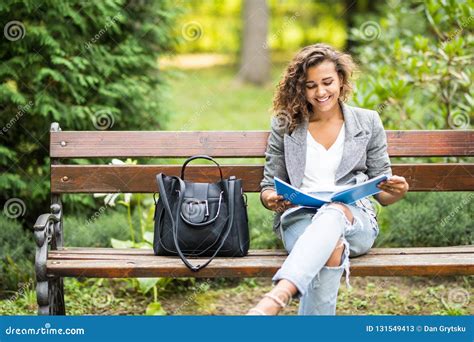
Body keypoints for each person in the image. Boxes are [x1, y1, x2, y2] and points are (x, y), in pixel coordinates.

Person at [247, 43, 409, 315]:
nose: (320, 92)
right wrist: (271, 199)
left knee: (333, 212)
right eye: (310, 85)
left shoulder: (367, 122)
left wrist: (398, 190)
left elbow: (384, 193)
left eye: (327, 82)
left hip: (354, 221)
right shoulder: (285, 124)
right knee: (331, 246)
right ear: (300, 87)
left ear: (341, 80)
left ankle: (278, 295)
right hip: (300, 219)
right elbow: (267, 187)